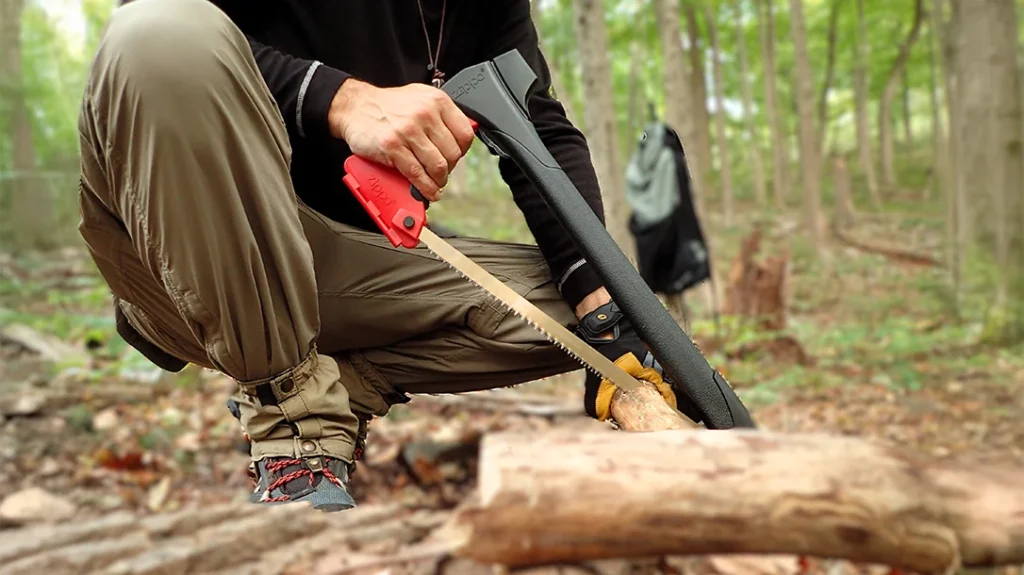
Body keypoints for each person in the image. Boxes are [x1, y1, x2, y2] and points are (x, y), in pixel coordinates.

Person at [77, 0, 690, 512]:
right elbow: (153, 54)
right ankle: (293, 421)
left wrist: (609, 311)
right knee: (155, 32)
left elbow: (536, 126)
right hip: (187, 247)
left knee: (602, 304)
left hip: (344, 263)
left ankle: (337, 386)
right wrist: (342, 101)